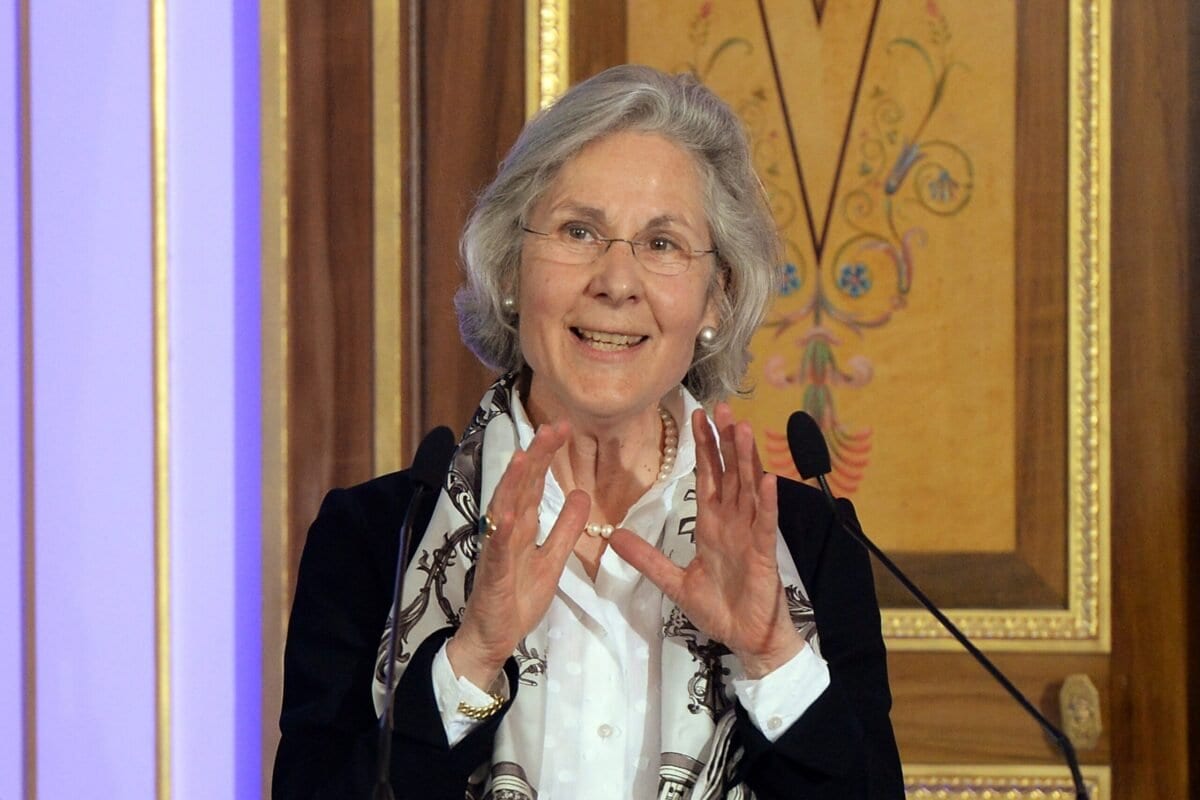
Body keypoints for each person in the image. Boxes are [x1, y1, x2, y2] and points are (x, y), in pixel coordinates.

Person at [273, 64, 903, 799]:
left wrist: (770, 655)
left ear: (716, 300)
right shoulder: (379, 537)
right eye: (580, 231)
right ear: (511, 268)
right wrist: (471, 657)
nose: (616, 279)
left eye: (662, 244)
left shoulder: (812, 547)